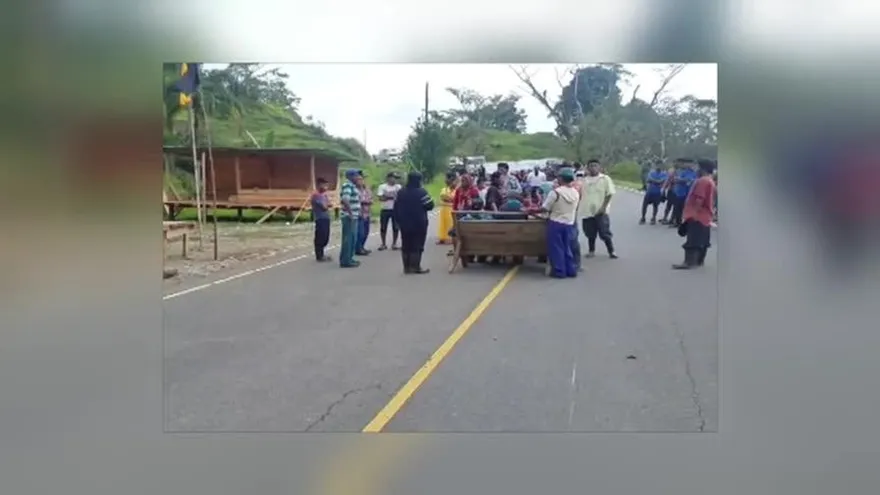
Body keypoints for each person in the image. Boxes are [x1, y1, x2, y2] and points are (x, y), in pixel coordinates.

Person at [673, 159, 717, 269]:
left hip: (698, 214)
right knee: (703, 239)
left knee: (693, 239)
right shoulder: (710, 181)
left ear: (703, 169)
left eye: (698, 167)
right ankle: (699, 261)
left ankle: (689, 262)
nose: (696, 169)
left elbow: (699, 199)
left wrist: (693, 213)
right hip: (706, 215)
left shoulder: (702, 181)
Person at [540, 167, 580, 278]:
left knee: (557, 248)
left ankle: (559, 271)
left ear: (561, 179)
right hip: (569, 223)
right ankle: (571, 270)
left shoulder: (555, 193)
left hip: (556, 223)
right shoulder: (575, 193)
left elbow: (545, 208)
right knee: (568, 247)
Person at [393, 171, 434, 274]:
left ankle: (406, 267)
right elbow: (430, 205)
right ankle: (415, 267)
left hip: (404, 222)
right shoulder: (421, 192)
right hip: (419, 222)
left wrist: (397, 220)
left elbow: (396, 207)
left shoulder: (401, 192)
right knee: (417, 245)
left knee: (406, 245)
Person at [577, 159, 618, 259]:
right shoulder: (584, 181)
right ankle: (591, 251)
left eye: (595, 165)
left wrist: (603, 207)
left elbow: (609, 194)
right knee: (590, 233)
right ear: (587, 168)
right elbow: (578, 194)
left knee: (604, 233)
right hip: (587, 211)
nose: (593, 168)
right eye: (591, 166)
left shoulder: (605, 179)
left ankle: (611, 251)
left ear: (599, 167)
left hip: (601, 211)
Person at [338, 169, 362, 268]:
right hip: (349, 217)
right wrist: (351, 213)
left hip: (354, 216)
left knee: (352, 238)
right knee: (349, 238)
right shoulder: (348, 185)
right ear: (351, 176)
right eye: (356, 176)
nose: (358, 178)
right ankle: (346, 260)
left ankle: (349, 258)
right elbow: (345, 199)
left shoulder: (353, 186)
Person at [669, 158, 697, 228]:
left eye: (690, 163)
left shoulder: (695, 173)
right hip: (680, 193)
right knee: (678, 208)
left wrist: (684, 180)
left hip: (689, 193)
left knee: (688, 209)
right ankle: (678, 222)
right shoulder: (682, 172)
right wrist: (685, 180)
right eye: (687, 163)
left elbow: (694, 181)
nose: (688, 165)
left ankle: (687, 223)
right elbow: (676, 179)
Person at [376, 172, 401, 250]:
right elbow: (380, 198)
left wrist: (387, 197)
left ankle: (394, 243)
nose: (395, 180)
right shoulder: (382, 186)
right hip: (385, 209)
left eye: (396, 178)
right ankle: (383, 243)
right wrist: (392, 197)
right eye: (394, 178)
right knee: (383, 227)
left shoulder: (398, 187)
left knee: (396, 227)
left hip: (395, 209)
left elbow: (400, 198)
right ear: (389, 178)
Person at [311, 177, 333, 262]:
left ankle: (322, 254)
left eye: (326, 185)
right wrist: (328, 205)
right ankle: (319, 256)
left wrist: (328, 204)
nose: (325, 187)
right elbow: (324, 207)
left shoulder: (324, 195)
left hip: (326, 218)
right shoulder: (316, 195)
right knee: (320, 237)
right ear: (319, 185)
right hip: (320, 218)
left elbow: (329, 204)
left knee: (326, 237)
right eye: (324, 185)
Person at [436, 172, 456, 245]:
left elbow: (451, 198)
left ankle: (449, 239)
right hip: (444, 209)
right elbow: (443, 197)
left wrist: (448, 199)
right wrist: (449, 199)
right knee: (442, 224)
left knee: (450, 223)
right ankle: (442, 238)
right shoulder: (444, 189)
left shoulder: (456, 191)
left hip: (450, 209)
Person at [355, 175, 373, 255]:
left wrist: (368, 202)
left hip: (367, 213)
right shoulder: (355, 190)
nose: (361, 181)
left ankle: (362, 247)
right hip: (359, 213)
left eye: (361, 180)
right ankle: (358, 248)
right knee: (360, 233)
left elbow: (371, 199)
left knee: (366, 232)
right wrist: (365, 202)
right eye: (359, 180)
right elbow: (357, 201)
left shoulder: (366, 190)